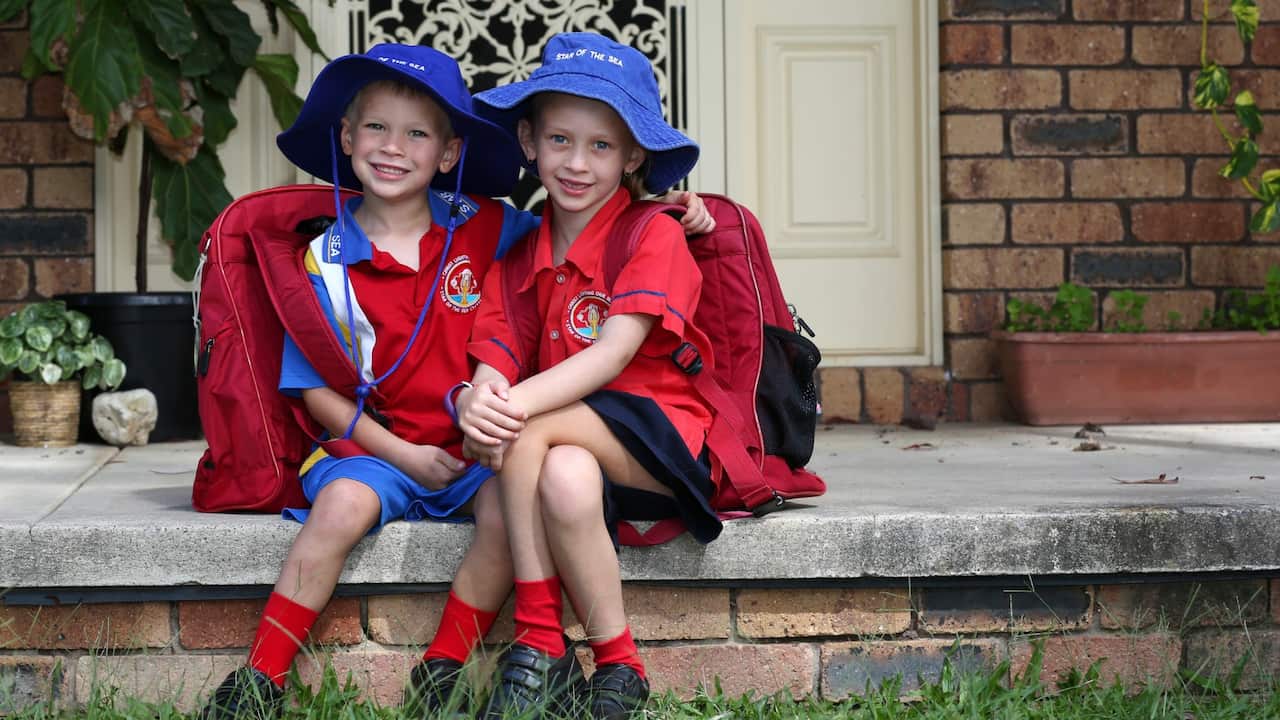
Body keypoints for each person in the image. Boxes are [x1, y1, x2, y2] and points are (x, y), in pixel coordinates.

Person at [198, 42, 713, 720]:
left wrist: (678, 208)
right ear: (347, 137)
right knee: (385, 500)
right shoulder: (329, 259)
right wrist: (446, 423)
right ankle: (263, 679)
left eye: (416, 133)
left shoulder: (492, 229)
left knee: (512, 472)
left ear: (448, 154)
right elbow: (481, 346)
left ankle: (489, 655)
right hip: (390, 450)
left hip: (559, 440)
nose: (392, 147)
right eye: (376, 128)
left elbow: (601, 286)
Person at [457, 31, 725, 720]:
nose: (577, 164)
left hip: (659, 441)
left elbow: (611, 355)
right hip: (575, 452)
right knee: (562, 474)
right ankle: (619, 666)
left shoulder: (651, 232)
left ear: (633, 156)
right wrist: (477, 403)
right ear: (528, 140)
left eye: (601, 146)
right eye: (559, 141)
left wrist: (506, 409)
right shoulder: (523, 253)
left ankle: (540, 643)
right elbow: (497, 353)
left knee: (525, 427)